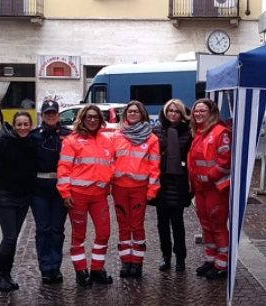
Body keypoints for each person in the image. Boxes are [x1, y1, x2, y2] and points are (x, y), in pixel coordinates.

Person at [57, 104, 114, 287]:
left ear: (100, 120)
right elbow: (63, 169)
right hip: (78, 195)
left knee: (104, 233)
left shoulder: (107, 140)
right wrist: (65, 193)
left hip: (99, 195)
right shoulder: (71, 141)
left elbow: (111, 164)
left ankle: (97, 269)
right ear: (82, 118)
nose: (92, 120)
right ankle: (81, 271)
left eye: (95, 117)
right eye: (88, 117)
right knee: (78, 235)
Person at [0, 111, 36, 292]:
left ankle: (7, 274)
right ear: (14, 125)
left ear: (30, 125)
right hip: (5, 197)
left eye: (25, 124)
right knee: (10, 237)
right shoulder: (2, 143)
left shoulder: (32, 143)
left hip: (23, 198)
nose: (22, 127)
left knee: (13, 238)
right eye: (19, 124)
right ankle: (0, 276)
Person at [111, 100, 160, 278]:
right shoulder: (116, 136)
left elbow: (155, 165)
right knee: (123, 225)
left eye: (136, 111)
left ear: (142, 114)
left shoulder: (152, 138)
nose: (132, 114)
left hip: (139, 188)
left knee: (137, 226)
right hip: (120, 188)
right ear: (125, 114)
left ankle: (137, 263)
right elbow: (110, 161)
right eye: (130, 111)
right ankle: (126, 262)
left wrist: (152, 189)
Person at [187, 98, 231, 280]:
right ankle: (211, 259)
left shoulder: (220, 132)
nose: (198, 114)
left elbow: (226, 159)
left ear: (211, 113)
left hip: (215, 188)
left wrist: (209, 177)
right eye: (196, 111)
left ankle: (222, 264)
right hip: (201, 188)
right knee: (206, 225)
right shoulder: (200, 132)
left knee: (218, 225)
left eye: (202, 111)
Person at [30, 100, 71, 284]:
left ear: (58, 114)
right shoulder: (34, 136)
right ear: (42, 115)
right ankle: (45, 268)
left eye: (53, 112)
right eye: (47, 113)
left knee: (57, 230)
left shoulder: (68, 135)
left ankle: (56, 267)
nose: (51, 115)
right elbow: (16, 148)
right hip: (39, 189)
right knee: (42, 230)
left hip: (60, 189)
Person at [151, 99, 193, 272]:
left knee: (177, 223)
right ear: (165, 112)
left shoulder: (188, 132)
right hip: (161, 182)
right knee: (162, 224)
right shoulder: (157, 130)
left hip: (179, 182)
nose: (173, 114)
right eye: (170, 111)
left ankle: (180, 257)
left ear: (182, 113)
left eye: (176, 111)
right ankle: (165, 256)